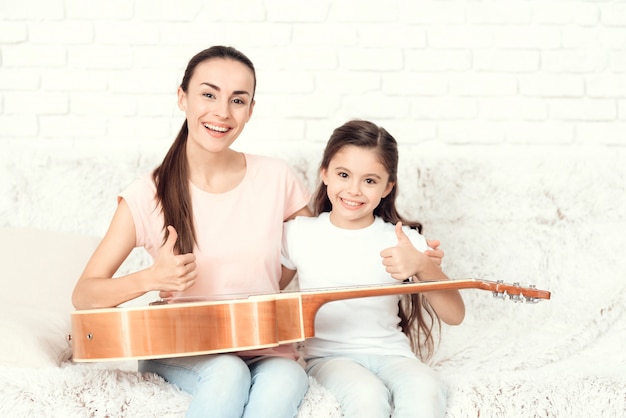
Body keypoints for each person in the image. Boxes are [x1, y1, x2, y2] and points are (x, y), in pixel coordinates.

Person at [71, 46, 314, 418]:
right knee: (227, 372)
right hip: (184, 349)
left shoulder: (277, 178)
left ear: (250, 110)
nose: (222, 111)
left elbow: (309, 252)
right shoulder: (147, 194)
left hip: (266, 348)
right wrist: (152, 278)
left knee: (283, 382)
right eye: (208, 94)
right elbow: (85, 295)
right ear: (182, 98)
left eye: (237, 100)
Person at [280, 119, 466, 418]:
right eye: (343, 175)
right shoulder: (299, 233)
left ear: (388, 186)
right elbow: (266, 289)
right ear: (324, 172)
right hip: (330, 358)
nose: (354, 190)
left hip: (393, 354)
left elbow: (454, 315)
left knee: (426, 388)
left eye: (369, 180)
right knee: (367, 395)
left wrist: (422, 265)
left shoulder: (405, 241)